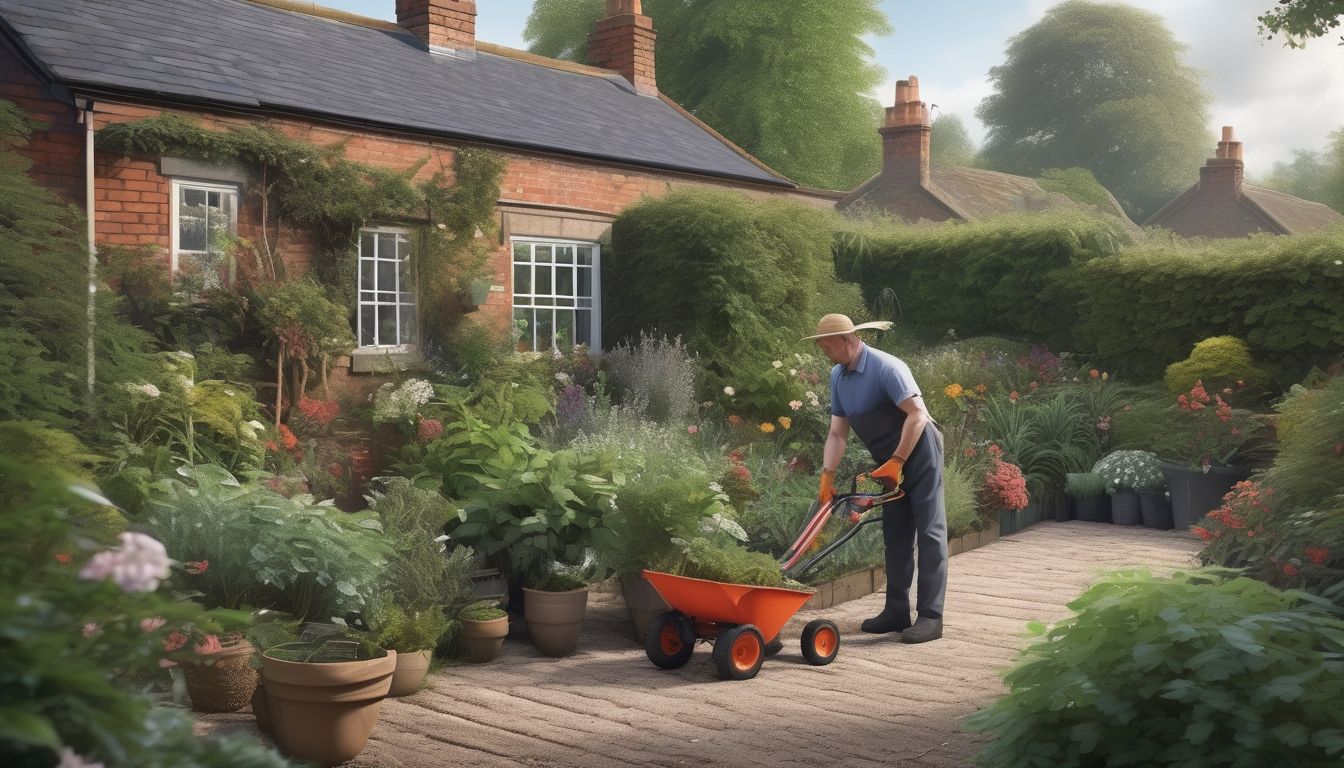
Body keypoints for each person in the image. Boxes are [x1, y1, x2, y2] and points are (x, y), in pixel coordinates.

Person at [805, 313, 947, 644]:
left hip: (919, 451)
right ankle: (897, 611)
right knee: (895, 532)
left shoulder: (887, 368)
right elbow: (838, 434)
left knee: (929, 531)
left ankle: (931, 616)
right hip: (888, 461)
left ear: (848, 339)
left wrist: (899, 460)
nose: (822, 348)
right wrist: (827, 475)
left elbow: (918, 415)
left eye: (827, 342)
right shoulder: (838, 376)